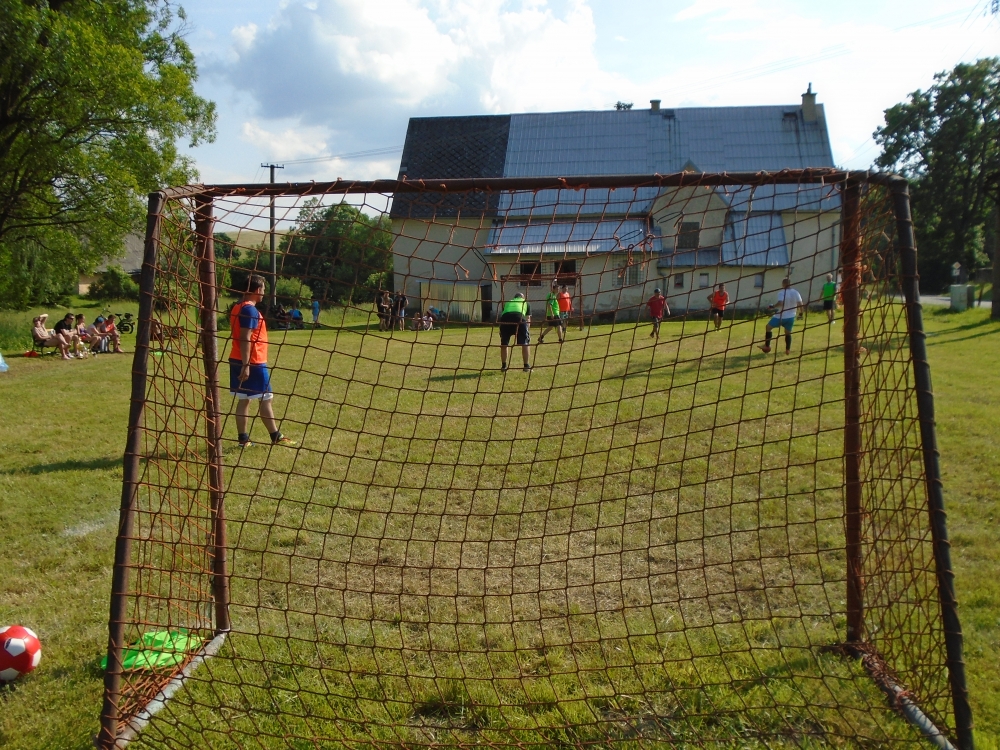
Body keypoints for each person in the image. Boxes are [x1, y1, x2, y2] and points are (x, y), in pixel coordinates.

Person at [229, 274, 296, 449]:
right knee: (266, 399)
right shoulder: (250, 310)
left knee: (244, 400)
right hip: (252, 361)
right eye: (263, 290)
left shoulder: (237, 307)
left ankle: (243, 440)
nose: (264, 293)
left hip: (237, 358)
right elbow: (245, 337)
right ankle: (276, 436)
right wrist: (246, 365)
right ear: (258, 290)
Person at [759, 277, 804, 355]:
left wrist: (773, 306)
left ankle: (767, 346)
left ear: (783, 284)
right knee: (788, 333)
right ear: (790, 284)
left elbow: (781, 303)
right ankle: (787, 350)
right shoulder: (796, 292)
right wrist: (801, 313)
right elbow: (800, 304)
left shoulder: (782, 292)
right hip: (791, 317)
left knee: (768, 327)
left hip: (781, 316)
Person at [498, 292, 532, 372]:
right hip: (519, 318)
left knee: (504, 344)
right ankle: (526, 366)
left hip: (505, 320)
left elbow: (503, 315)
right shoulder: (526, 302)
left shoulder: (508, 302)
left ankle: (504, 366)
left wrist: (500, 329)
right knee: (525, 343)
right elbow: (528, 319)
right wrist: (527, 331)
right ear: (522, 297)